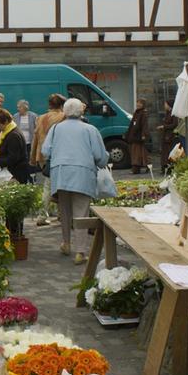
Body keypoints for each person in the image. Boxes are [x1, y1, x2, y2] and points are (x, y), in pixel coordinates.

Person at [43, 99, 109, 265]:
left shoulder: (56, 128)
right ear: (82, 112)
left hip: (60, 172)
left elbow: (45, 151)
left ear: (65, 112)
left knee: (64, 210)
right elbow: (100, 156)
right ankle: (81, 251)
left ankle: (66, 243)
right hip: (82, 173)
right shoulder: (90, 129)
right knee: (81, 212)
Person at [31, 94, 68, 225]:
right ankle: (55, 215)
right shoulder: (63, 117)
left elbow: (35, 138)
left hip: (43, 157)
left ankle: (45, 215)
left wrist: (33, 157)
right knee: (60, 187)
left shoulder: (40, 118)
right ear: (62, 105)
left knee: (48, 186)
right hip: (58, 156)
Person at [0, 109, 31, 183]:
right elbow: (6, 148)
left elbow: (13, 158)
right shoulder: (8, 132)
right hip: (12, 172)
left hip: (16, 174)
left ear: (5, 121)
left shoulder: (13, 136)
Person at [125, 98, 150, 174]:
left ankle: (141, 167)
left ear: (143, 105)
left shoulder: (143, 113)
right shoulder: (136, 112)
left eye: (140, 103)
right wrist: (128, 134)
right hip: (134, 136)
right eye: (137, 103)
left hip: (138, 136)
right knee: (136, 152)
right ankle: (139, 167)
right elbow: (132, 124)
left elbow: (144, 125)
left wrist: (143, 135)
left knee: (139, 153)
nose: (138, 104)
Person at [157, 100, 181, 173]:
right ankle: (165, 168)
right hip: (165, 136)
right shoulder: (168, 113)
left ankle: (169, 168)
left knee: (169, 152)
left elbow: (175, 124)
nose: (164, 106)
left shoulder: (173, 114)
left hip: (170, 137)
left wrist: (164, 127)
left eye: (165, 104)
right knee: (164, 153)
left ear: (169, 105)